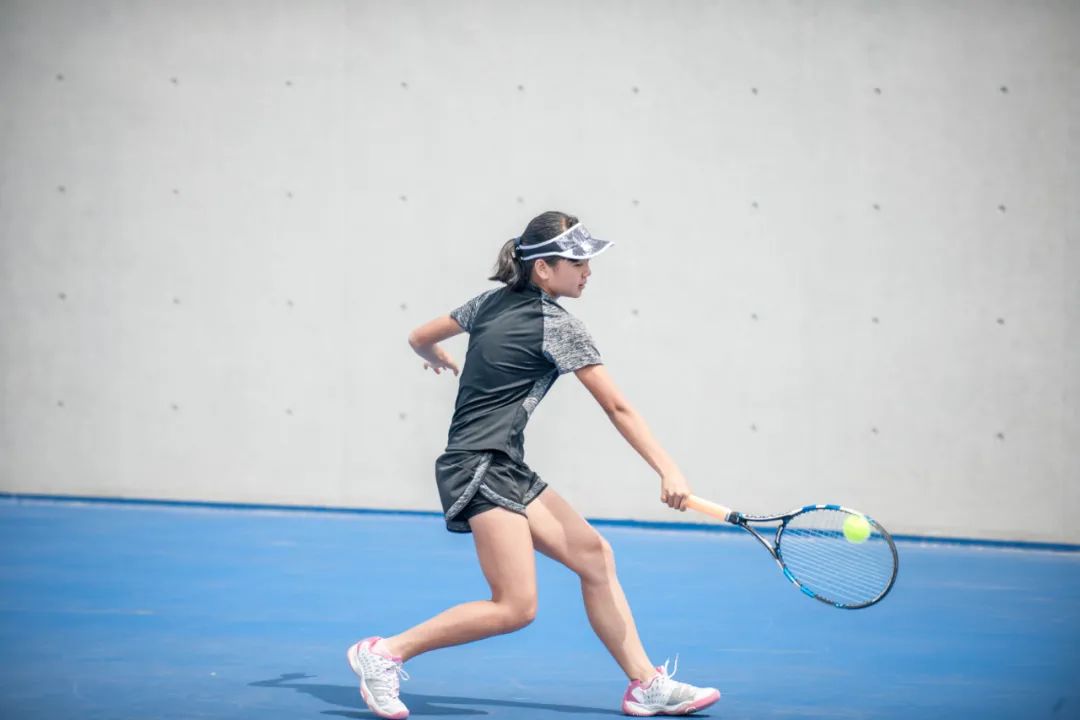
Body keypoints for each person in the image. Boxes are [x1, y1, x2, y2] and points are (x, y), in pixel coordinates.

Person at [347, 211, 720, 718]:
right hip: (479, 463)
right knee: (515, 606)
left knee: (594, 557)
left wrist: (434, 353)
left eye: (588, 261)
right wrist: (668, 470)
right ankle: (384, 653)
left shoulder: (486, 303)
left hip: (500, 462)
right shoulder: (559, 326)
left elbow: (417, 335)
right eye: (577, 262)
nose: (588, 271)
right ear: (543, 268)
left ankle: (645, 685)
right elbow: (617, 407)